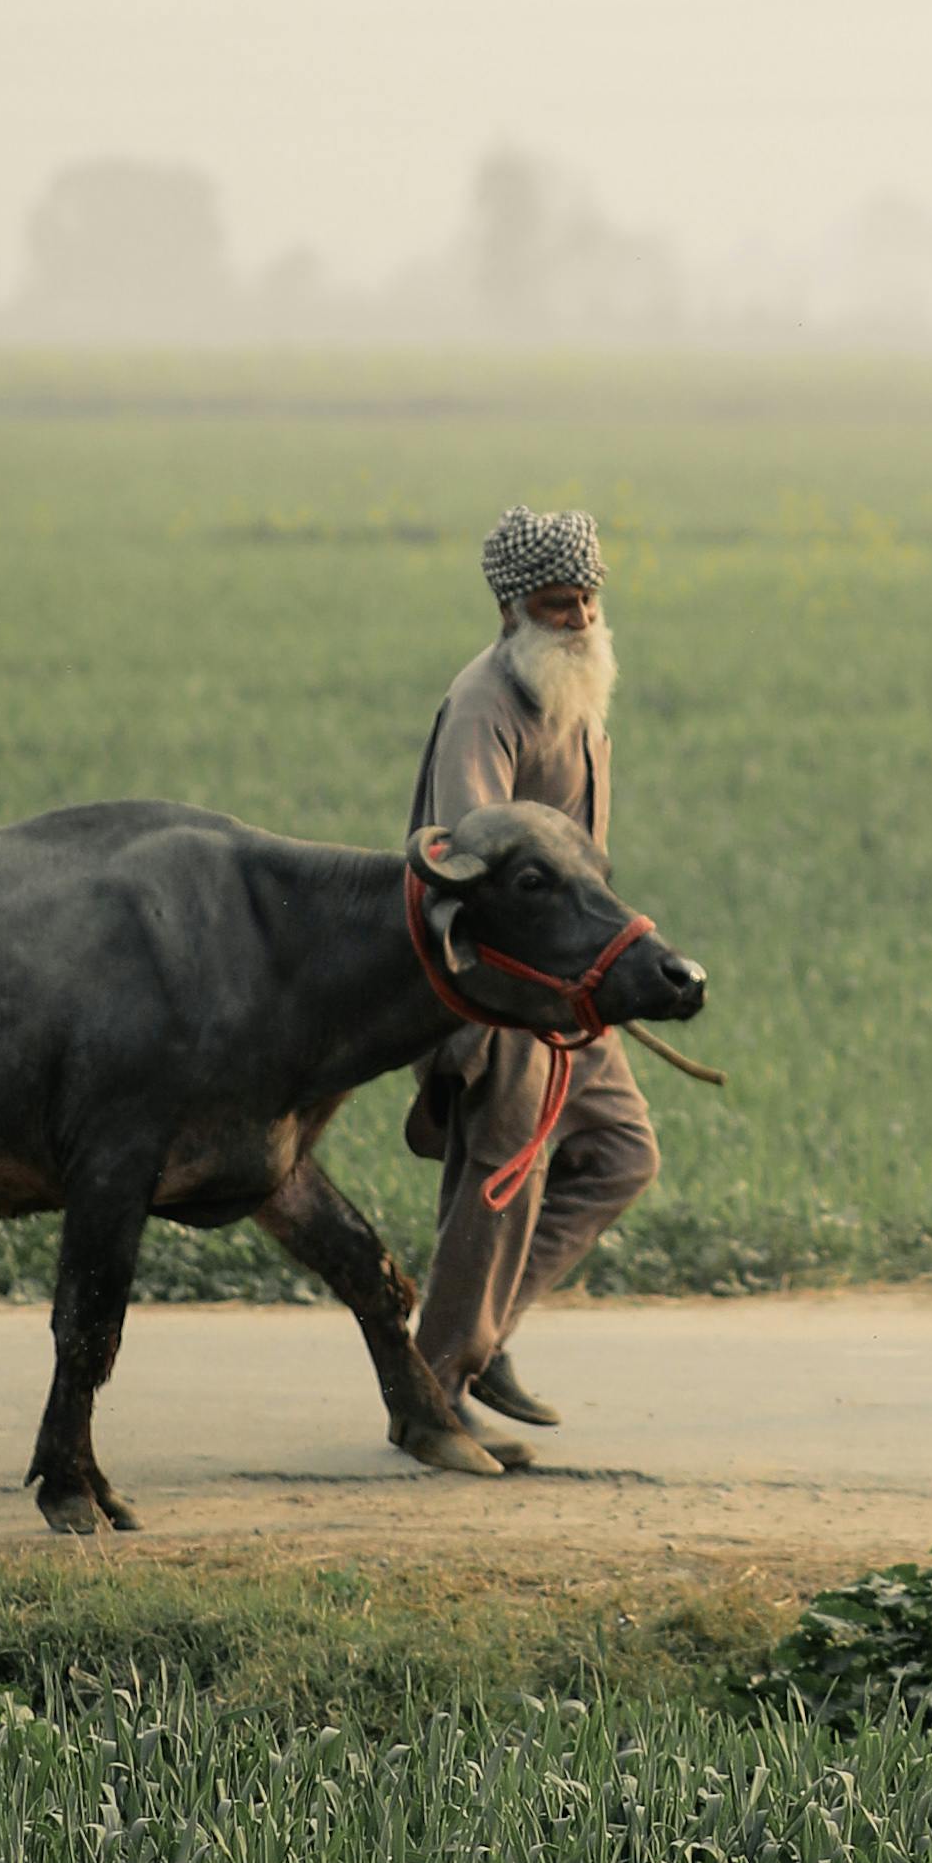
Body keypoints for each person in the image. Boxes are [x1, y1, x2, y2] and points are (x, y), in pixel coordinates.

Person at [401, 499, 659, 1440]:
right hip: (505, 984)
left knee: (622, 1155)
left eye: (590, 599)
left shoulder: (576, 691)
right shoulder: (487, 702)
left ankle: (480, 1334)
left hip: (573, 984)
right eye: (559, 605)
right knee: (503, 1179)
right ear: (511, 610)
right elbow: (478, 855)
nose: (583, 620)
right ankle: (430, 1397)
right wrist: (524, 989)